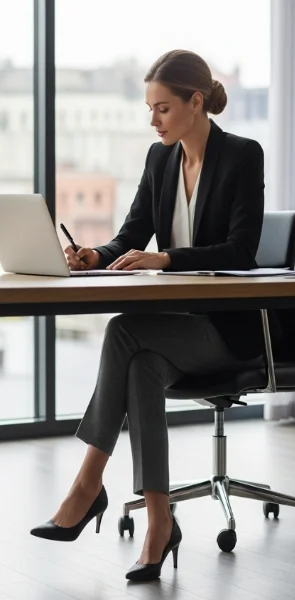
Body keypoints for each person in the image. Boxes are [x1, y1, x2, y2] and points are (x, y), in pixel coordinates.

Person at [29, 49, 270, 582]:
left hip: (227, 331)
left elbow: (240, 251)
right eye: (149, 109)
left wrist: (168, 258)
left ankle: (87, 486)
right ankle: (160, 524)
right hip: (175, 326)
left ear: (196, 102)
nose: (153, 120)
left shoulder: (242, 155)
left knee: (122, 330)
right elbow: (132, 232)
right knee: (139, 365)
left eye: (162, 108)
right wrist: (96, 255)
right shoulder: (159, 159)